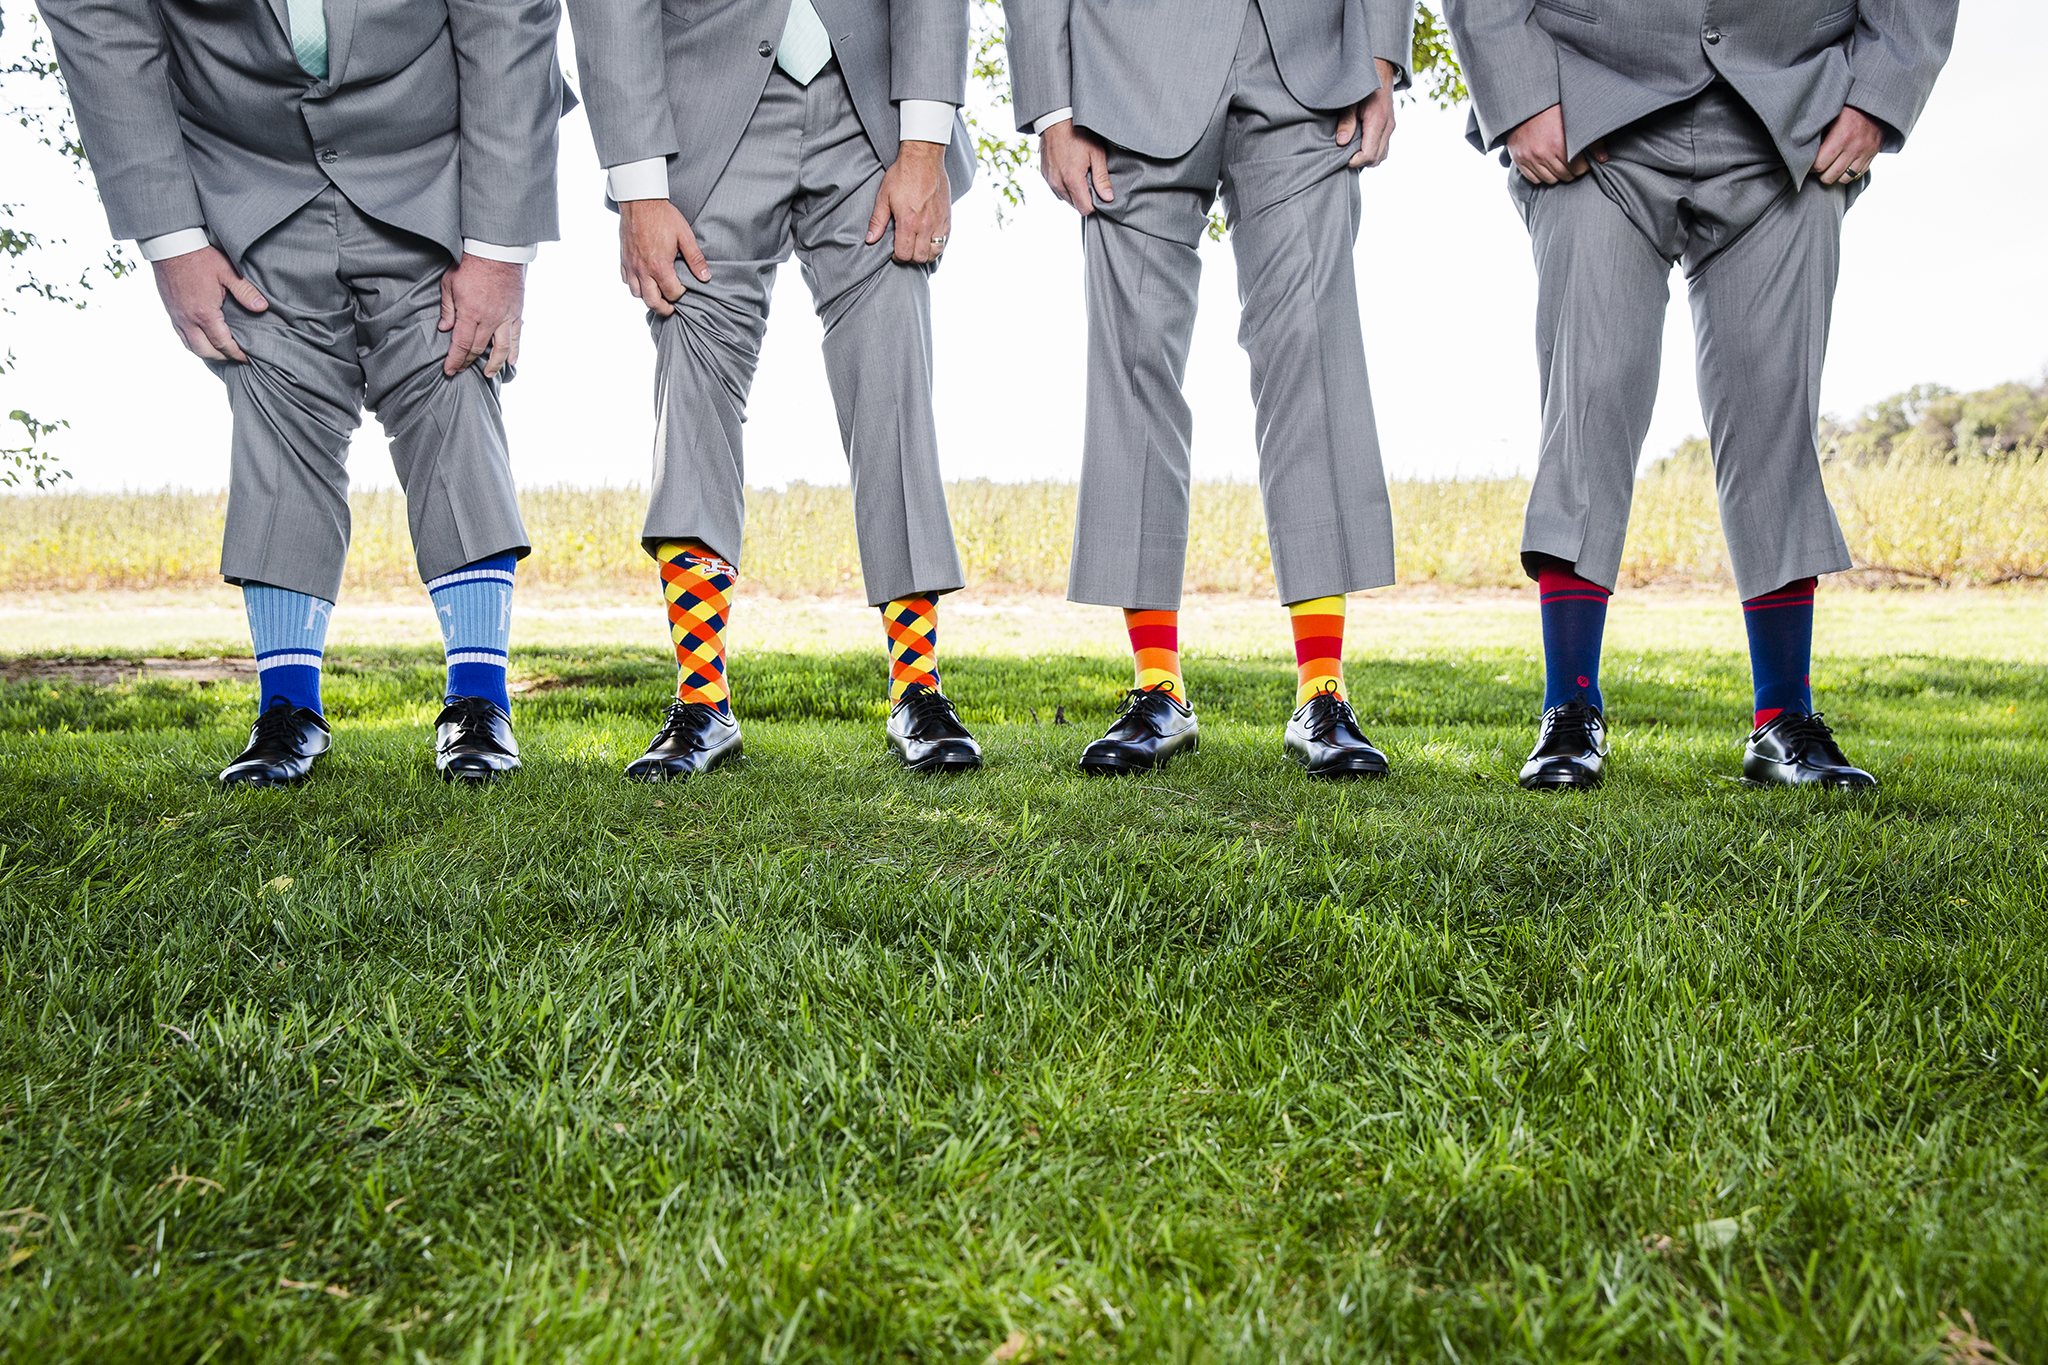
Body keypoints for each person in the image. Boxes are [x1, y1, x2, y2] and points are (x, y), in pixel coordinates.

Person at [38, 0, 571, 787]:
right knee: (273, 404)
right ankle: (288, 710)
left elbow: (505, 14)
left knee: (452, 379)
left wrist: (497, 246)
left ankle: (478, 701)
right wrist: (172, 237)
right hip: (243, 171)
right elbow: (100, 16)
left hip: (435, 156)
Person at [1440, 0, 1958, 790]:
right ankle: (1570, 711)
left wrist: (1880, 94)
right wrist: (1515, 93)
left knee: (1773, 412)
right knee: (1592, 396)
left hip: (1792, 114)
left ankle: (1783, 716)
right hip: (1590, 108)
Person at [561, 0, 984, 780]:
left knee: (893, 364)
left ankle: (918, 686)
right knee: (691, 369)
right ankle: (701, 697)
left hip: (872, 102)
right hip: (700, 107)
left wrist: (924, 143)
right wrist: (638, 185)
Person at [1002, 0, 1416, 780]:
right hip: (1125, 67)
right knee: (1134, 361)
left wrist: (1382, 54)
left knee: (1314, 353)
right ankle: (1156, 685)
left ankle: (1322, 689)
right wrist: (1054, 103)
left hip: (1307, 56)